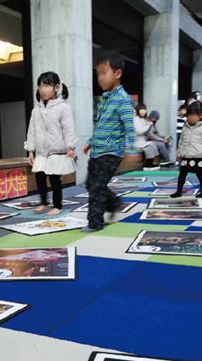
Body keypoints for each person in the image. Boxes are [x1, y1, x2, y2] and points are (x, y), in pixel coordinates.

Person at [81, 53, 135, 232]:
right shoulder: (104, 98)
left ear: (117, 73)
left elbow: (129, 126)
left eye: (104, 73)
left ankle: (95, 223)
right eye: (98, 74)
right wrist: (90, 141)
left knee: (97, 187)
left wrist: (131, 148)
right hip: (97, 150)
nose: (100, 78)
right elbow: (101, 125)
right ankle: (114, 203)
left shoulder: (123, 100)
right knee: (91, 184)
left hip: (112, 152)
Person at [24, 71, 77, 215]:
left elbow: (68, 129)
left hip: (56, 151)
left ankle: (57, 206)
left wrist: (70, 147)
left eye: (47, 85)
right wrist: (31, 150)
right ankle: (43, 202)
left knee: (54, 179)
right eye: (40, 86)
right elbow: (32, 131)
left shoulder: (63, 107)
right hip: (41, 152)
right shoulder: (36, 110)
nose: (43, 89)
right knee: (39, 177)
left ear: (56, 87)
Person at [171, 101, 202, 199]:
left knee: (200, 175)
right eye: (188, 116)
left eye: (193, 116)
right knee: (182, 174)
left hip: (199, 156)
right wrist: (179, 152)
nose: (190, 118)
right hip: (186, 155)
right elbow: (181, 141)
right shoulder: (185, 127)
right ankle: (179, 191)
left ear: (200, 116)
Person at [133, 103, 160, 171]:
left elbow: (148, 133)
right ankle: (148, 165)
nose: (143, 111)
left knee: (153, 144)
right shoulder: (135, 119)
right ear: (137, 110)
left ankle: (151, 163)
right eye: (141, 109)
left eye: (144, 109)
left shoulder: (144, 119)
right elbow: (139, 131)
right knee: (150, 146)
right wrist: (148, 125)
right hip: (136, 141)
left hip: (142, 141)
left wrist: (150, 126)